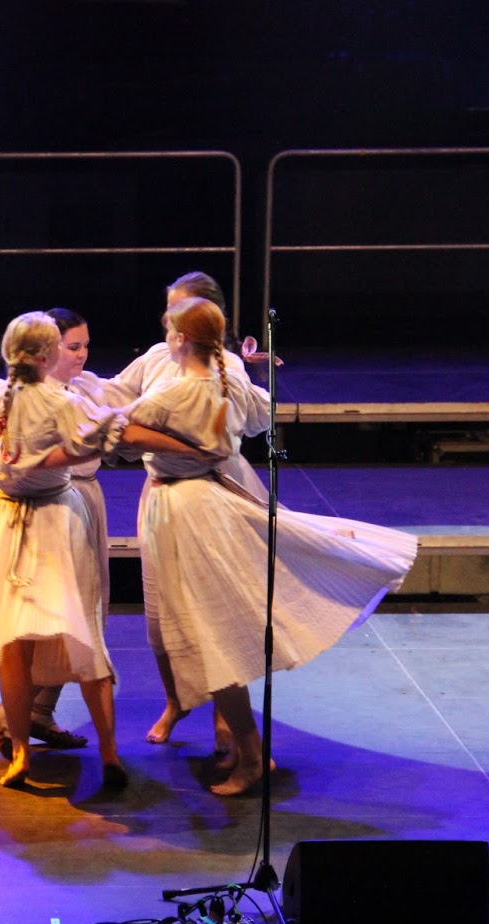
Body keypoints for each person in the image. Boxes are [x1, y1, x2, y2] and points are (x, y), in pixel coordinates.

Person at [0, 311, 206, 790]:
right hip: (52, 521)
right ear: (47, 355)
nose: (80, 354)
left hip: (7, 520)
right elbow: (120, 432)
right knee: (82, 634)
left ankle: (22, 752)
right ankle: (107, 754)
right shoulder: (59, 401)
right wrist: (192, 449)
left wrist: (9, 463)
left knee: (16, 644)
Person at [128, 296, 416, 795]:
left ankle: (252, 754)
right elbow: (261, 418)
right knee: (211, 636)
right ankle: (246, 747)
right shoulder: (230, 379)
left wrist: (187, 447)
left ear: (181, 338)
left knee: (212, 637)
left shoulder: (176, 391)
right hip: (208, 502)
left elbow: (120, 431)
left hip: (190, 511)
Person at [89, 271, 272, 759]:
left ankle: (227, 718)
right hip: (165, 495)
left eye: (178, 313)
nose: (166, 321)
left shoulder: (221, 372)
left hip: (211, 495)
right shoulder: (157, 360)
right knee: (161, 619)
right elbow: (114, 396)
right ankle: (179, 701)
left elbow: (120, 428)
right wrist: (69, 384)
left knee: (216, 613)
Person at [0, 307, 97, 759]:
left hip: (79, 504)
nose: (81, 355)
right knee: (48, 621)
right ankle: (17, 716)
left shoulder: (86, 389)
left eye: (86, 346)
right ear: (46, 353)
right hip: (47, 506)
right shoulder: (18, 398)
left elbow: (133, 400)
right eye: (72, 347)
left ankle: (39, 712)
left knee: (79, 617)